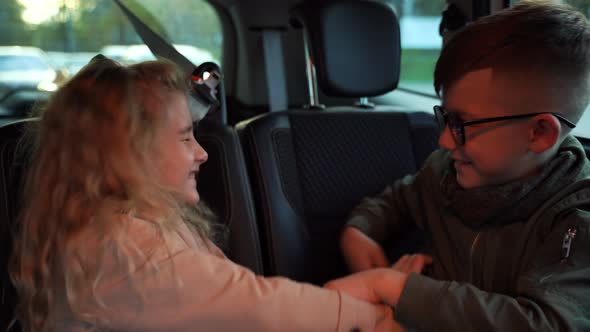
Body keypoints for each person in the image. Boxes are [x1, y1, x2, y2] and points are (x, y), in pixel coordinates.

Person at [10, 57, 403, 332]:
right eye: (184, 137)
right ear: (127, 153)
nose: (202, 152)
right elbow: (258, 308)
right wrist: (372, 313)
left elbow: (231, 298)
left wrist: (361, 292)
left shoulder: (141, 227)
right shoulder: (122, 248)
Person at [336, 1, 590, 331]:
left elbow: (546, 323)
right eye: (445, 117)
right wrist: (359, 231)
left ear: (539, 133)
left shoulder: (575, 220)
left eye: (461, 123)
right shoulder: (443, 173)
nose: (444, 140)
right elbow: (396, 200)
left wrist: (395, 288)